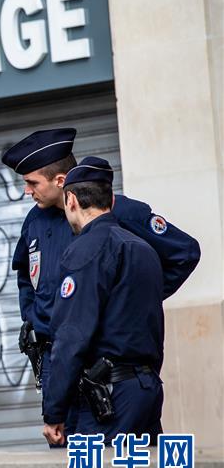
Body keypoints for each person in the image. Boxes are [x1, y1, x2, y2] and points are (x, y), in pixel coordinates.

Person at [2, 129, 199, 437]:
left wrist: (124, 304)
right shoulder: (35, 221)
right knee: (67, 465)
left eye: (31, 183)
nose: (27, 191)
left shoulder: (119, 213)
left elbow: (184, 253)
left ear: (61, 182)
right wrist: (32, 317)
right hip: (59, 360)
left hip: (104, 367)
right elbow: (26, 276)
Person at [42, 157, 164, 444]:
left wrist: (54, 411)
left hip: (111, 399)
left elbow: (70, 335)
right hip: (146, 390)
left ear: (70, 199)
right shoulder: (142, 247)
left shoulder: (85, 251)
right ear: (110, 199)